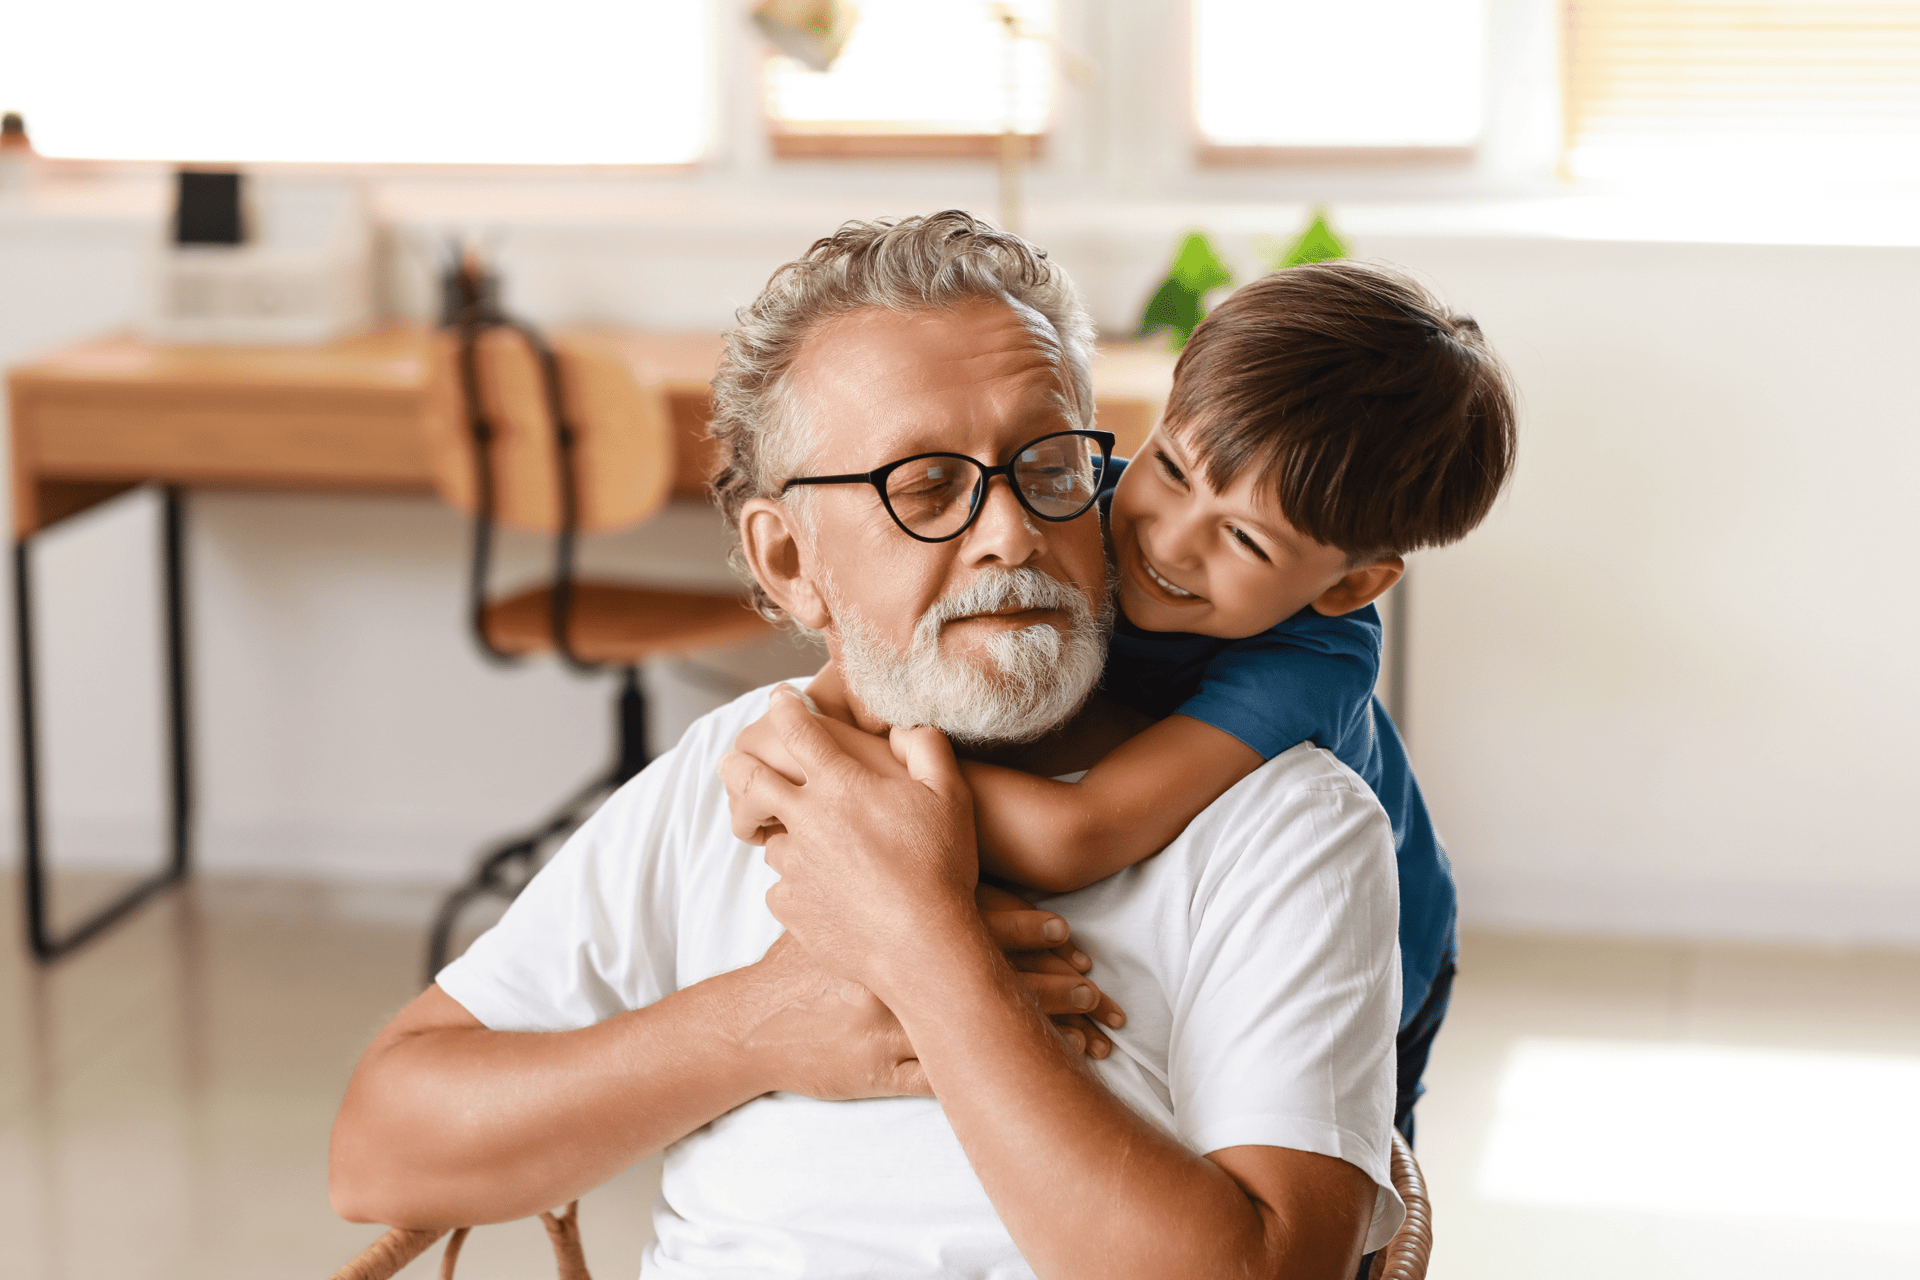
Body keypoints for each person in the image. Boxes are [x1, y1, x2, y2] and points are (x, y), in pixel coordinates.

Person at [330, 211, 1405, 1278]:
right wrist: (760, 1025)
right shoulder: (749, 765)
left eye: (1048, 468)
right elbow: (380, 1154)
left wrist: (926, 949)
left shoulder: (1283, 825)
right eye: (927, 486)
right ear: (789, 561)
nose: (1012, 532)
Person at [738, 262, 1517, 1140]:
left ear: (1348, 585)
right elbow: (885, 661)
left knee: (1343, 1129)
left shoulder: (1316, 653)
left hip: (1390, 942)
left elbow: (1076, 836)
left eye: (1245, 539)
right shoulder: (1074, 504)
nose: (1169, 542)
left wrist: (844, 778)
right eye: (1174, 470)